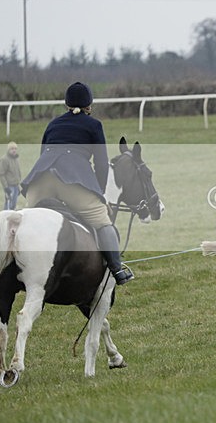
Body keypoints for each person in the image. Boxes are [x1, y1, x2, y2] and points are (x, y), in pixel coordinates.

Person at [20, 81, 133, 285]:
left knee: (25, 221)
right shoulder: (94, 125)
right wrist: (99, 195)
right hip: (71, 180)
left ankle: (11, 265)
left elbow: (43, 154)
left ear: (66, 104)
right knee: (102, 221)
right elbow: (101, 164)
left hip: (41, 178)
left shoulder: (53, 124)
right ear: (89, 105)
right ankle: (117, 270)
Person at [0, 141, 21, 210]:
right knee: (8, 205)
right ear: (8, 150)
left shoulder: (16, 159)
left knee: (13, 205)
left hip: (16, 186)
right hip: (9, 186)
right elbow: (1, 174)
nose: (14, 150)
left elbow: (17, 172)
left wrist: (18, 185)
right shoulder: (4, 159)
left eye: (15, 149)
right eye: (12, 149)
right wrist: (6, 187)